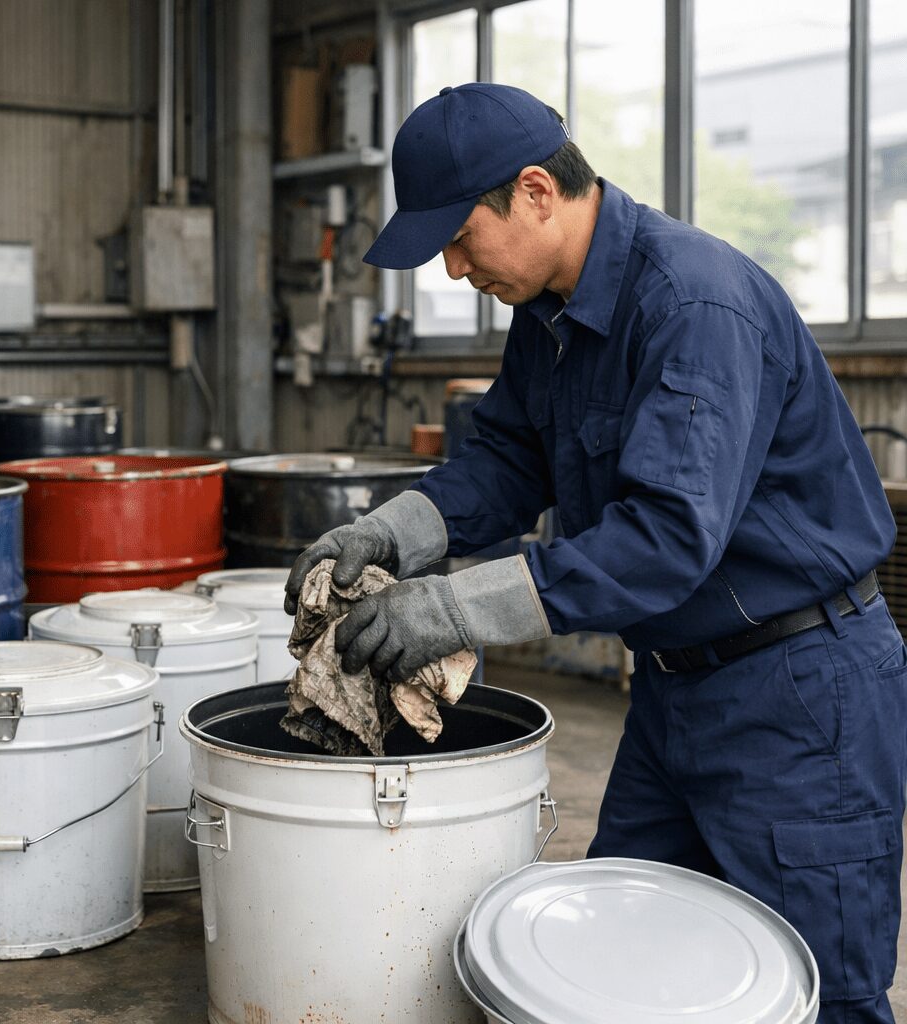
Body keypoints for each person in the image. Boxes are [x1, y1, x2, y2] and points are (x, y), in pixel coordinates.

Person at [283, 82, 904, 1023]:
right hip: (676, 691)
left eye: (458, 239)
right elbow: (503, 459)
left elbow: (664, 541)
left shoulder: (695, 306)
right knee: (619, 964)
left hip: (800, 696)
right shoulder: (550, 317)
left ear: (536, 190)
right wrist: (388, 532)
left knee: (820, 991)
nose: (454, 272)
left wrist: (451, 610)